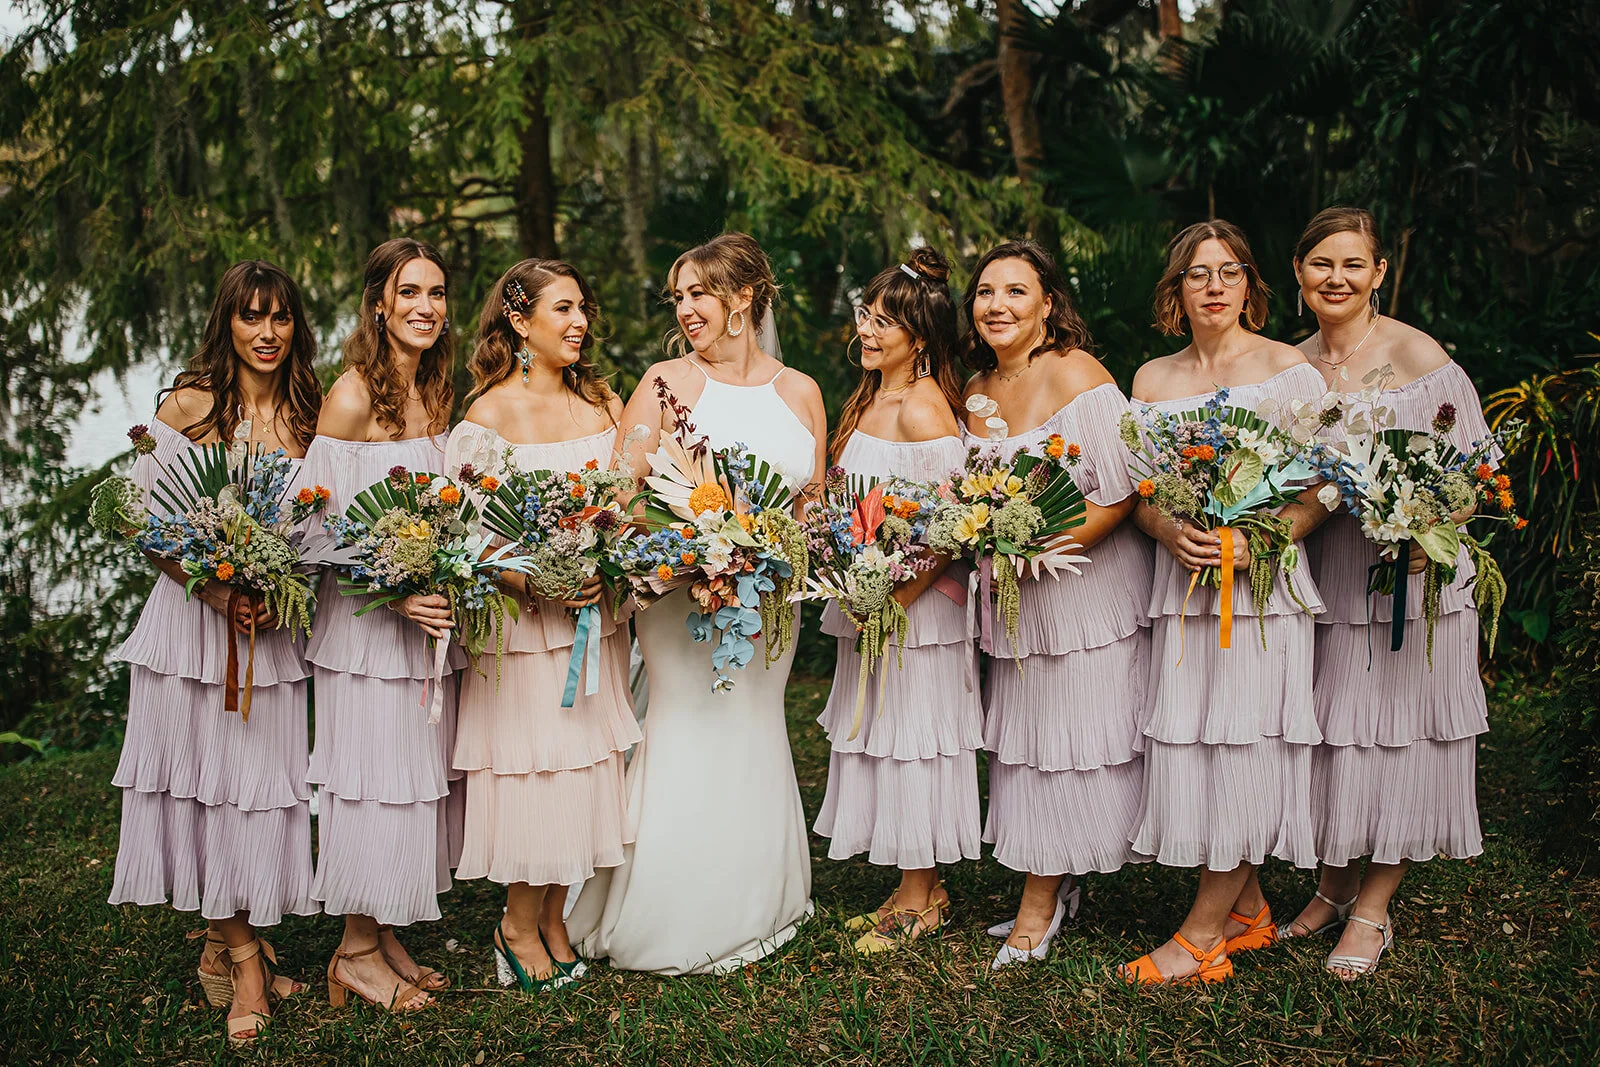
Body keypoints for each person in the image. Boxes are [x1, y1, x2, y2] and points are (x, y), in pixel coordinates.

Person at [567, 232, 826, 974]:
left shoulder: (800, 390)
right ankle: (669, 913)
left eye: (699, 293)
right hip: (680, 597)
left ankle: (759, 900)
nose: (684, 309)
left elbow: (812, 498)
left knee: (753, 725)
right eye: (677, 296)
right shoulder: (664, 382)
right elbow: (620, 494)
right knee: (686, 724)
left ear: (744, 297)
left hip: (768, 600)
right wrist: (694, 549)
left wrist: (773, 548)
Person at [107, 260, 323, 1045]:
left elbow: (317, 525)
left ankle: (222, 945)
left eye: (280, 317)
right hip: (191, 629)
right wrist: (215, 589)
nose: (267, 333)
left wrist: (276, 579)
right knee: (202, 788)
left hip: (268, 635)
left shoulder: (310, 414)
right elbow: (142, 522)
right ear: (226, 321)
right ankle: (245, 960)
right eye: (250, 316)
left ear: (296, 326)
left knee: (255, 791)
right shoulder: (189, 406)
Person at [1282, 206, 1494, 977]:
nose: (1336, 278)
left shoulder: (1418, 355)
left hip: (1411, 580)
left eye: (1353, 264)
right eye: (1321, 263)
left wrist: (1420, 523)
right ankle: (1332, 886)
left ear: (1378, 272)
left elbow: (1475, 475)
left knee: (1403, 735)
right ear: (1299, 272)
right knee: (1337, 733)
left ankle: (1373, 907)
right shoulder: (1290, 366)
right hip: (1332, 578)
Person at [1120, 220, 1330, 985]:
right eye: (1198, 273)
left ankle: (1201, 936)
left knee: (1246, 747)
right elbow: (1138, 489)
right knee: (1203, 746)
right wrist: (1165, 527)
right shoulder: (1151, 379)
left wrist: (1257, 538)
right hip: (1184, 589)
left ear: (1250, 285)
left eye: (1229, 271)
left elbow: (1323, 487)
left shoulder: (1287, 370)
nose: (1214, 286)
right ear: (1176, 289)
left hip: (1263, 593)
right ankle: (1247, 912)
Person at [445, 259, 639, 991]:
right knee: (536, 773)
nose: (580, 321)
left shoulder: (604, 405)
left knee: (582, 769)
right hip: (524, 634)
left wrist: (608, 565)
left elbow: (628, 507)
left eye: (583, 307)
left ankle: (555, 919)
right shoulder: (488, 417)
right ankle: (516, 925)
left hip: (595, 623)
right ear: (520, 321)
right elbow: (463, 537)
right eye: (563, 309)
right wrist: (536, 579)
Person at [958, 240, 1152, 969]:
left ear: (1047, 304)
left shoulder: (1079, 374)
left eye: (1016, 291)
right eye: (986, 292)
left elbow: (1122, 490)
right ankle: (1058, 878)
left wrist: (1037, 547)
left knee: (1070, 742)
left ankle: (1038, 905)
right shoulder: (973, 389)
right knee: (1031, 744)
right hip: (1014, 605)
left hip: (1083, 595)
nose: (998, 305)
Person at [302, 238, 463, 1011]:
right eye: (410, 293)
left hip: (422, 628)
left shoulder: (435, 391)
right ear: (378, 305)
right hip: (366, 630)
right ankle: (355, 952)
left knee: (406, 779)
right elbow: (310, 526)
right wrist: (392, 593)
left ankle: (385, 931)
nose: (426, 307)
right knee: (370, 780)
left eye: (437, 293)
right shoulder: (352, 396)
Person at [813, 248, 980, 954]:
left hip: (920, 609)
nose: (868, 330)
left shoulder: (922, 405)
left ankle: (921, 896)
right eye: (867, 314)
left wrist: (893, 598)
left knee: (915, 739)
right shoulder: (870, 399)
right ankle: (918, 886)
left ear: (921, 337)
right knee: (886, 733)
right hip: (872, 599)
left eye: (886, 322)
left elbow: (950, 527)